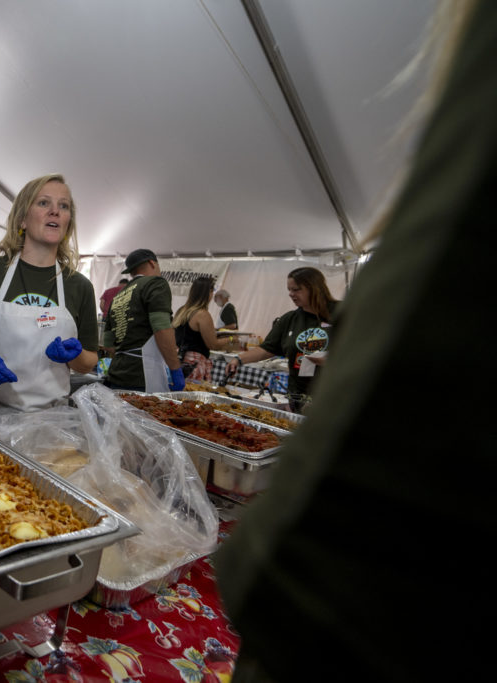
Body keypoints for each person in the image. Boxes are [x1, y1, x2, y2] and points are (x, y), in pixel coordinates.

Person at [217, 2, 492, 680]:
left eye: (295, 288)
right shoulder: (285, 323)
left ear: (315, 287)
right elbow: (265, 352)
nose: (289, 297)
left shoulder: (341, 315)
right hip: (297, 416)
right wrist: (225, 356)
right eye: (285, 290)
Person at [0, 173, 99, 417]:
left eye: (64, 206)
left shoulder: (78, 286)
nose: (55, 211)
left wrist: (76, 355)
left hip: (50, 423)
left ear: (68, 222)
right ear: (22, 219)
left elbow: (89, 361)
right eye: (43, 203)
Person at [225, 266, 338, 413]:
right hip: (298, 396)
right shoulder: (290, 319)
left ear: (314, 288)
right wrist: (238, 360)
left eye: (296, 289)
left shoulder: (342, 312)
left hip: (333, 396)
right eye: (289, 290)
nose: (291, 294)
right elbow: (267, 349)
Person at [102, 248, 185, 392]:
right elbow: (162, 328)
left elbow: (108, 343)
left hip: (117, 374)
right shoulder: (155, 283)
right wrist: (175, 369)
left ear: (130, 271)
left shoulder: (118, 295)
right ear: (152, 263)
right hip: (144, 378)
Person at [172, 276, 235, 382]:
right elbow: (212, 344)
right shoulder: (202, 314)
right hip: (194, 363)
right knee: (192, 395)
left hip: (178, 360)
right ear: (209, 293)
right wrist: (231, 339)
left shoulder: (181, 311)